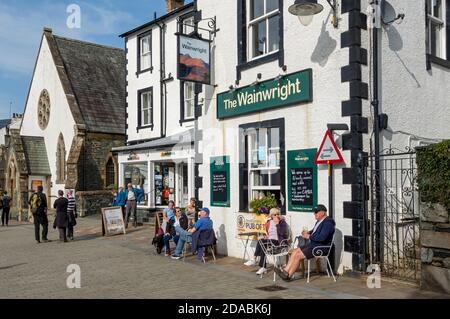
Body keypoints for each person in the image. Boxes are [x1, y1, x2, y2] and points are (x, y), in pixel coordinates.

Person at [274, 205, 335, 282]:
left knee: (298, 256)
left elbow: (322, 238)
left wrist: (309, 236)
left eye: (316, 212)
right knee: (295, 251)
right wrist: (308, 232)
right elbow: (314, 232)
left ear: (323, 213)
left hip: (320, 247)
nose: (314, 214)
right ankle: (285, 271)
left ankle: (289, 276)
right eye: (314, 212)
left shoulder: (328, 223)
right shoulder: (319, 221)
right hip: (314, 244)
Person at [244, 208, 289, 275]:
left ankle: (255, 260)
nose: (276, 216)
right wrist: (266, 236)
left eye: (278, 214)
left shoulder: (282, 222)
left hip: (278, 242)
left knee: (262, 242)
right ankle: (262, 266)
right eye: (274, 214)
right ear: (271, 215)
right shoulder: (269, 222)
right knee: (262, 243)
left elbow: (282, 233)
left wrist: (277, 224)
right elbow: (269, 233)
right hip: (270, 241)